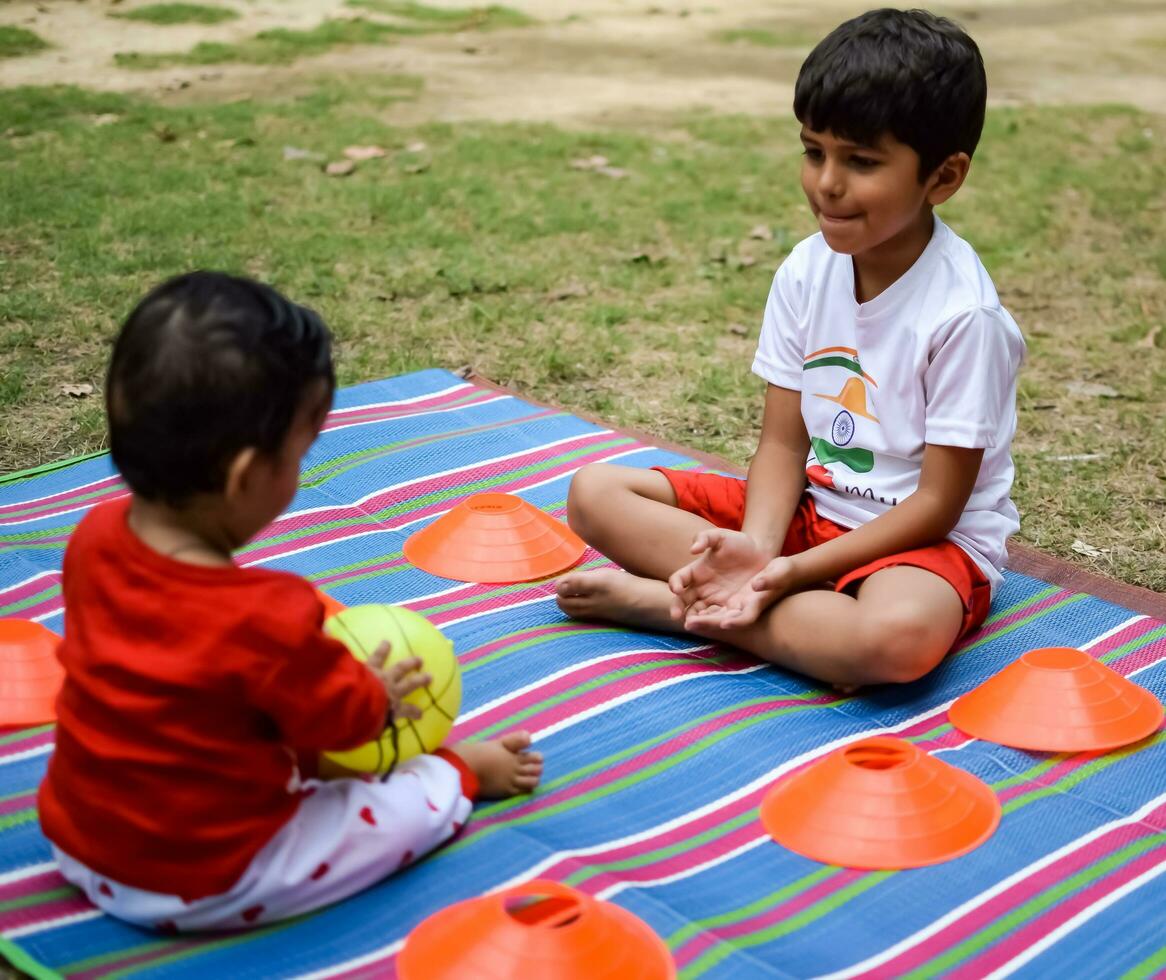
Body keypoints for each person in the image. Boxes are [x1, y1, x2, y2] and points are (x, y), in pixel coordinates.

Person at [37, 272, 542, 932]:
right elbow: (342, 730)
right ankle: (457, 777)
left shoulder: (94, 537)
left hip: (80, 836)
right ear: (246, 476)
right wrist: (377, 694)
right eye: (300, 455)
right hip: (204, 875)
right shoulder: (264, 614)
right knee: (384, 813)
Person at [556, 8, 1025, 690]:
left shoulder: (965, 316)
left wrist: (790, 573)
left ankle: (681, 607)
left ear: (943, 178)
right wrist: (757, 547)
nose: (827, 183)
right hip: (808, 515)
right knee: (595, 491)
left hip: (918, 547)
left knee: (893, 642)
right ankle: (759, 606)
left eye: (861, 161)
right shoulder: (807, 270)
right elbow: (782, 446)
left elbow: (937, 507)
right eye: (814, 151)